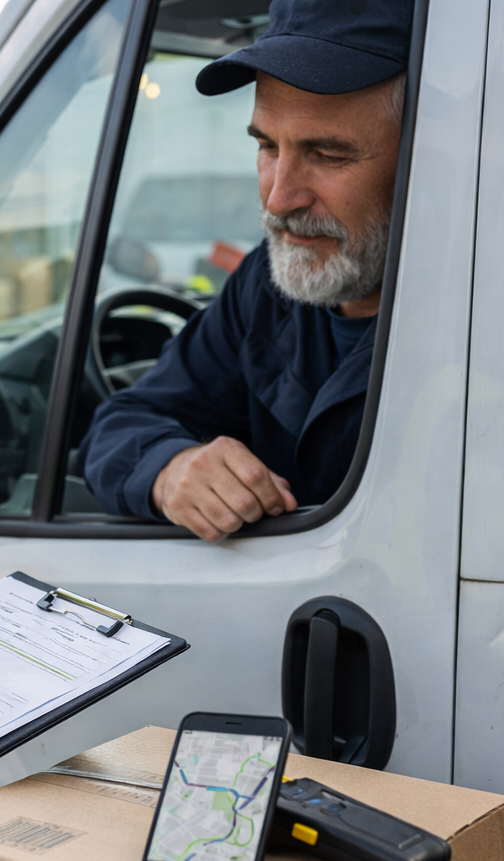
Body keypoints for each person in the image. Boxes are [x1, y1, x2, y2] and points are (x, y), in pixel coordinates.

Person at [82, 0, 411, 540]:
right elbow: (121, 424)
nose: (280, 198)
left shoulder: (481, 316)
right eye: (266, 145)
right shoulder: (271, 282)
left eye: (328, 155)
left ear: (424, 157)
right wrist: (172, 469)